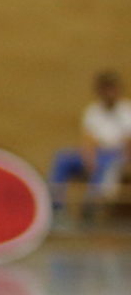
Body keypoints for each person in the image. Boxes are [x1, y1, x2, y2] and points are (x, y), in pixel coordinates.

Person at [50, 68, 129, 224]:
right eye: (105, 88)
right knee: (63, 158)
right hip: (97, 154)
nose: (109, 92)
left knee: (106, 163)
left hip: (118, 155)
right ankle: (56, 207)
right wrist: (89, 157)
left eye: (112, 88)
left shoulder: (127, 111)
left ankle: (90, 206)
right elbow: (88, 139)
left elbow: (128, 142)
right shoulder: (93, 111)